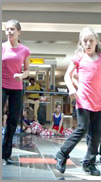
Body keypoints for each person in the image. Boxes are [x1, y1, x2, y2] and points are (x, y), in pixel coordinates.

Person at [55, 27, 101, 176]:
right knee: (82, 128)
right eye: (85, 41)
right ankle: (62, 154)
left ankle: (89, 162)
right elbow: (67, 76)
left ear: (97, 42)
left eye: (91, 41)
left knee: (97, 133)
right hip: (83, 100)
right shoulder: (79, 57)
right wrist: (71, 88)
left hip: (98, 101)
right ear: (81, 42)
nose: (88, 44)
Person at [2, 19, 30, 164]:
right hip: (2, 86)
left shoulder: (24, 50)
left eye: (12, 29)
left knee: (12, 121)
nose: (9, 32)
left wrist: (21, 75)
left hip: (16, 88)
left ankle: (6, 154)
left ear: (19, 32)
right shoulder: (2, 47)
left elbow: (27, 71)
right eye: (7, 29)